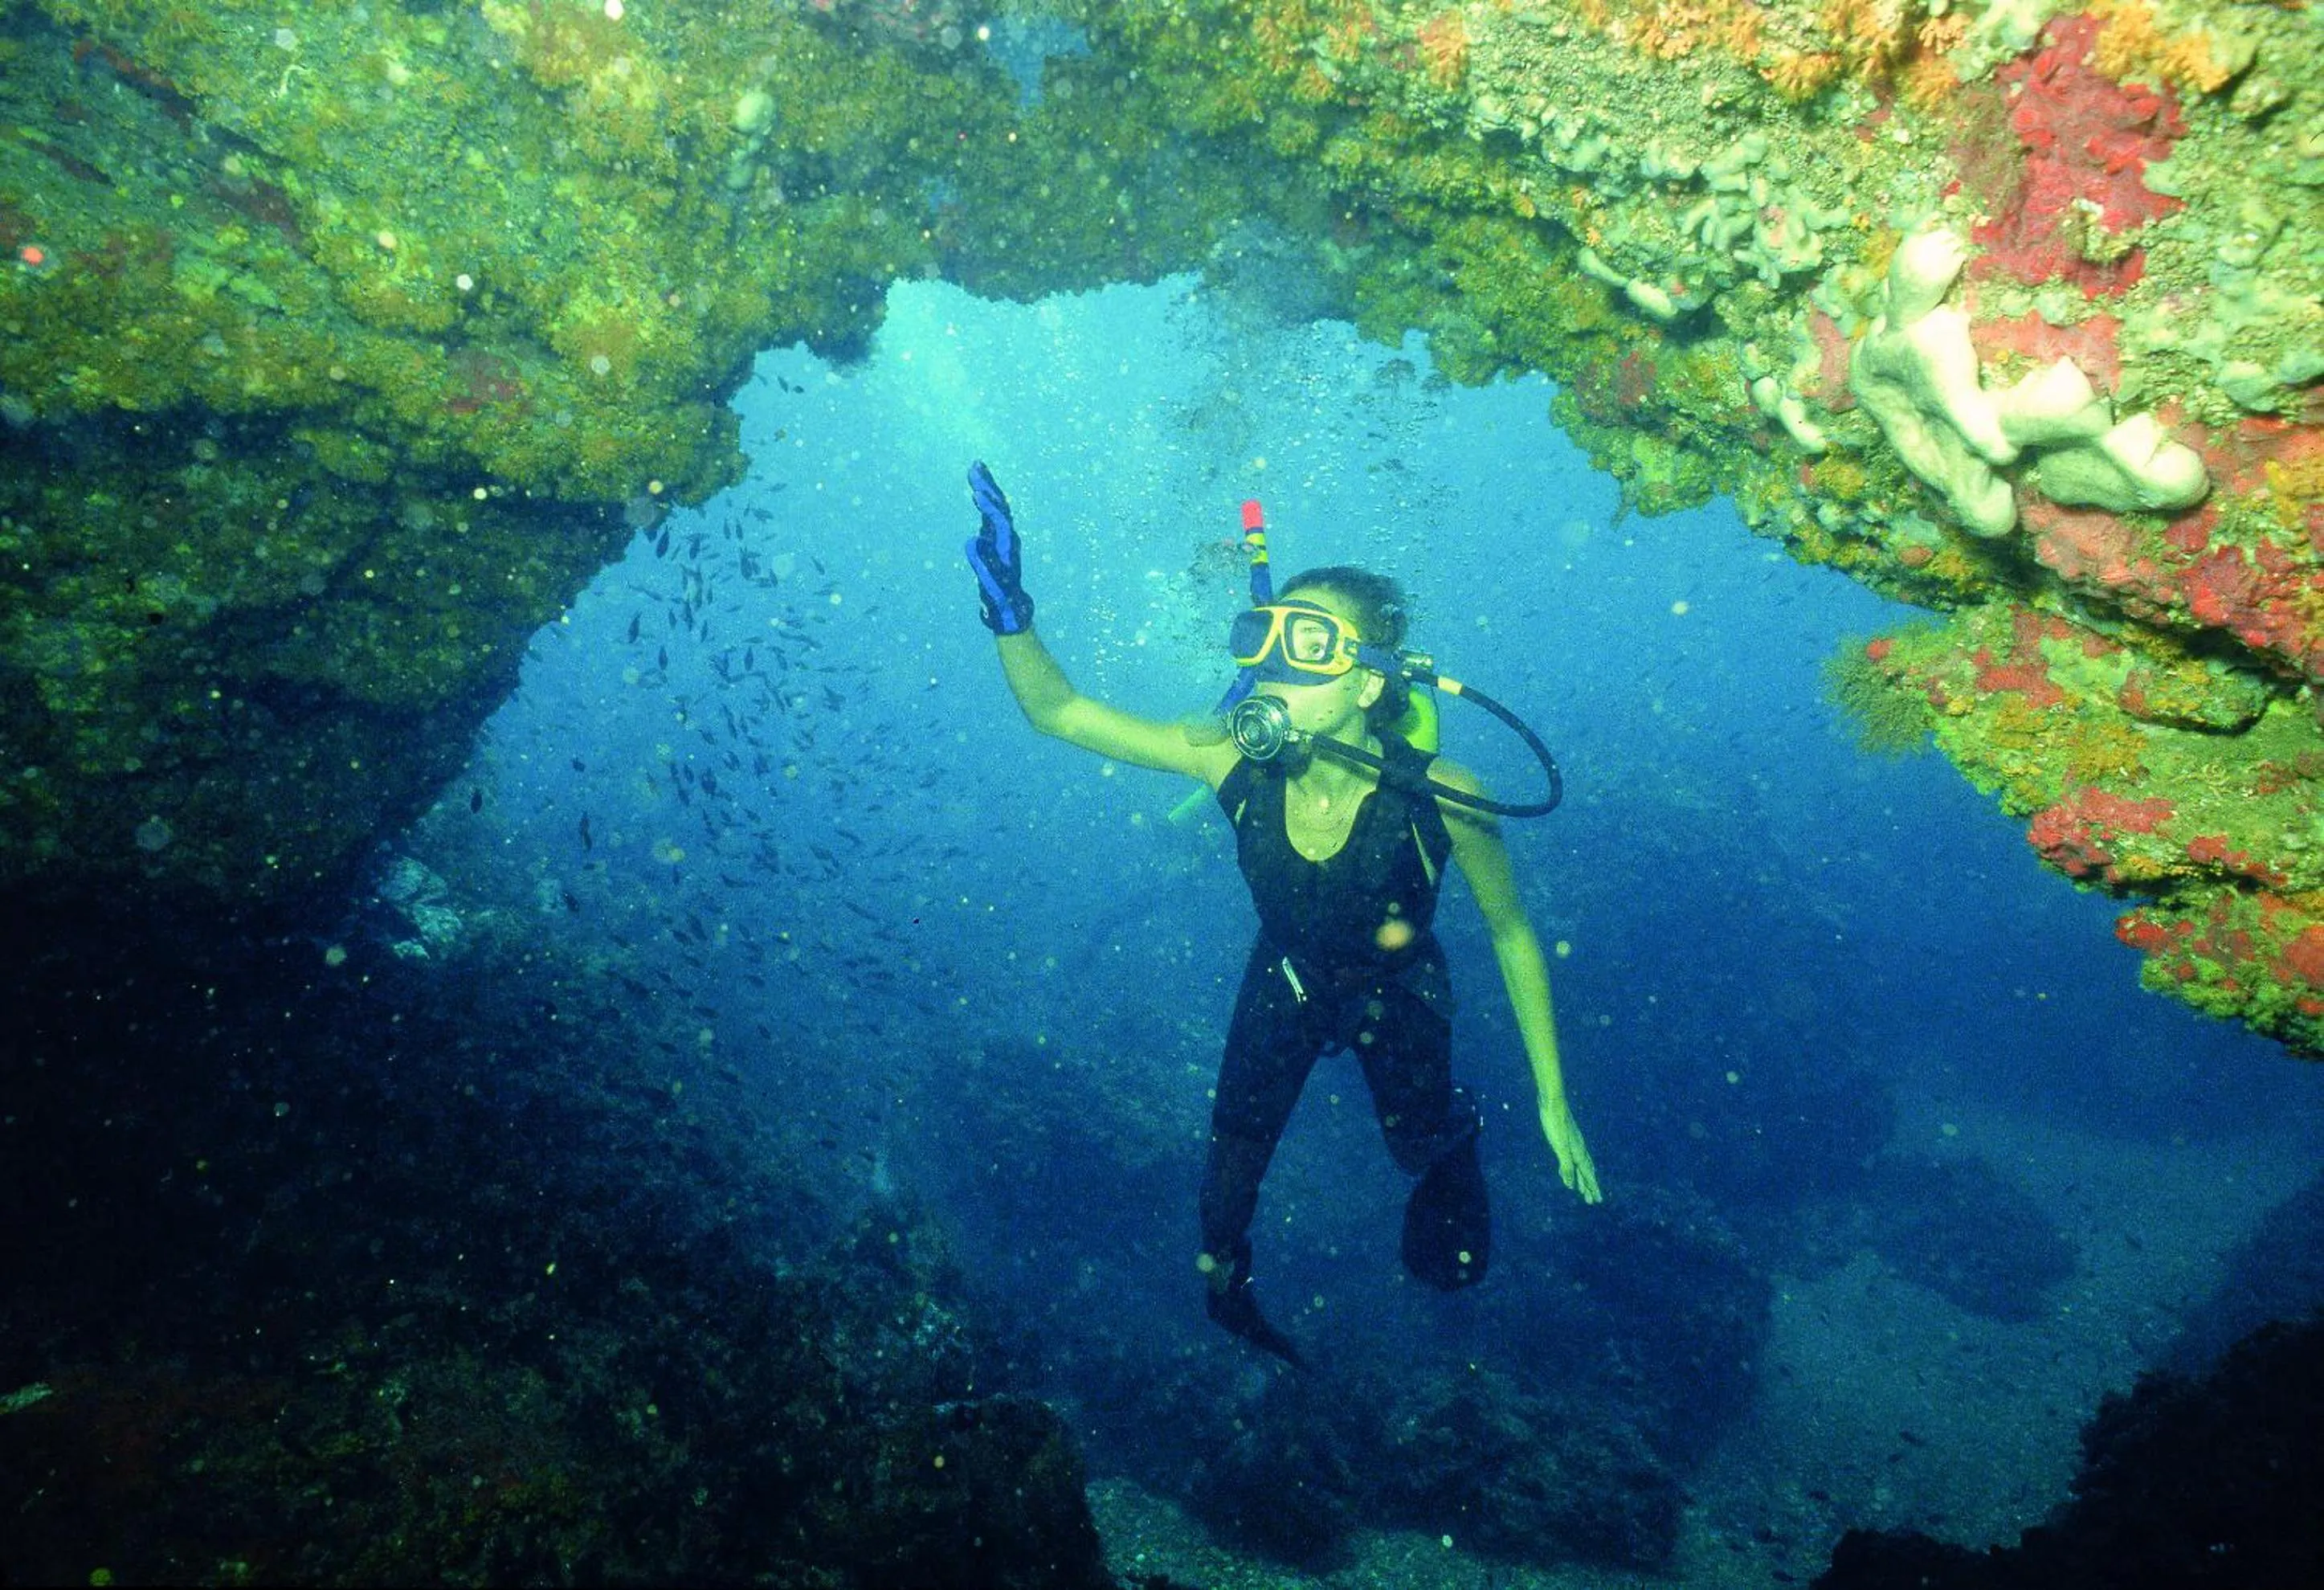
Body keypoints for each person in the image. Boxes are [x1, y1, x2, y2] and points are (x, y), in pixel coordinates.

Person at [966, 463, 1600, 1366]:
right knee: (1229, 1166)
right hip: (1289, 972)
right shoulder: (1226, 759)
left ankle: (1452, 1152)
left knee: (1422, 1146)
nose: (1269, 665)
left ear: (1368, 684)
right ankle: (1229, 1291)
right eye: (1260, 637)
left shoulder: (1444, 794)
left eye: (1305, 646)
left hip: (1399, 986)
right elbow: (1059, 711)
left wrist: (1552, 1094)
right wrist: (1010, 616)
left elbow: (1509, 930)